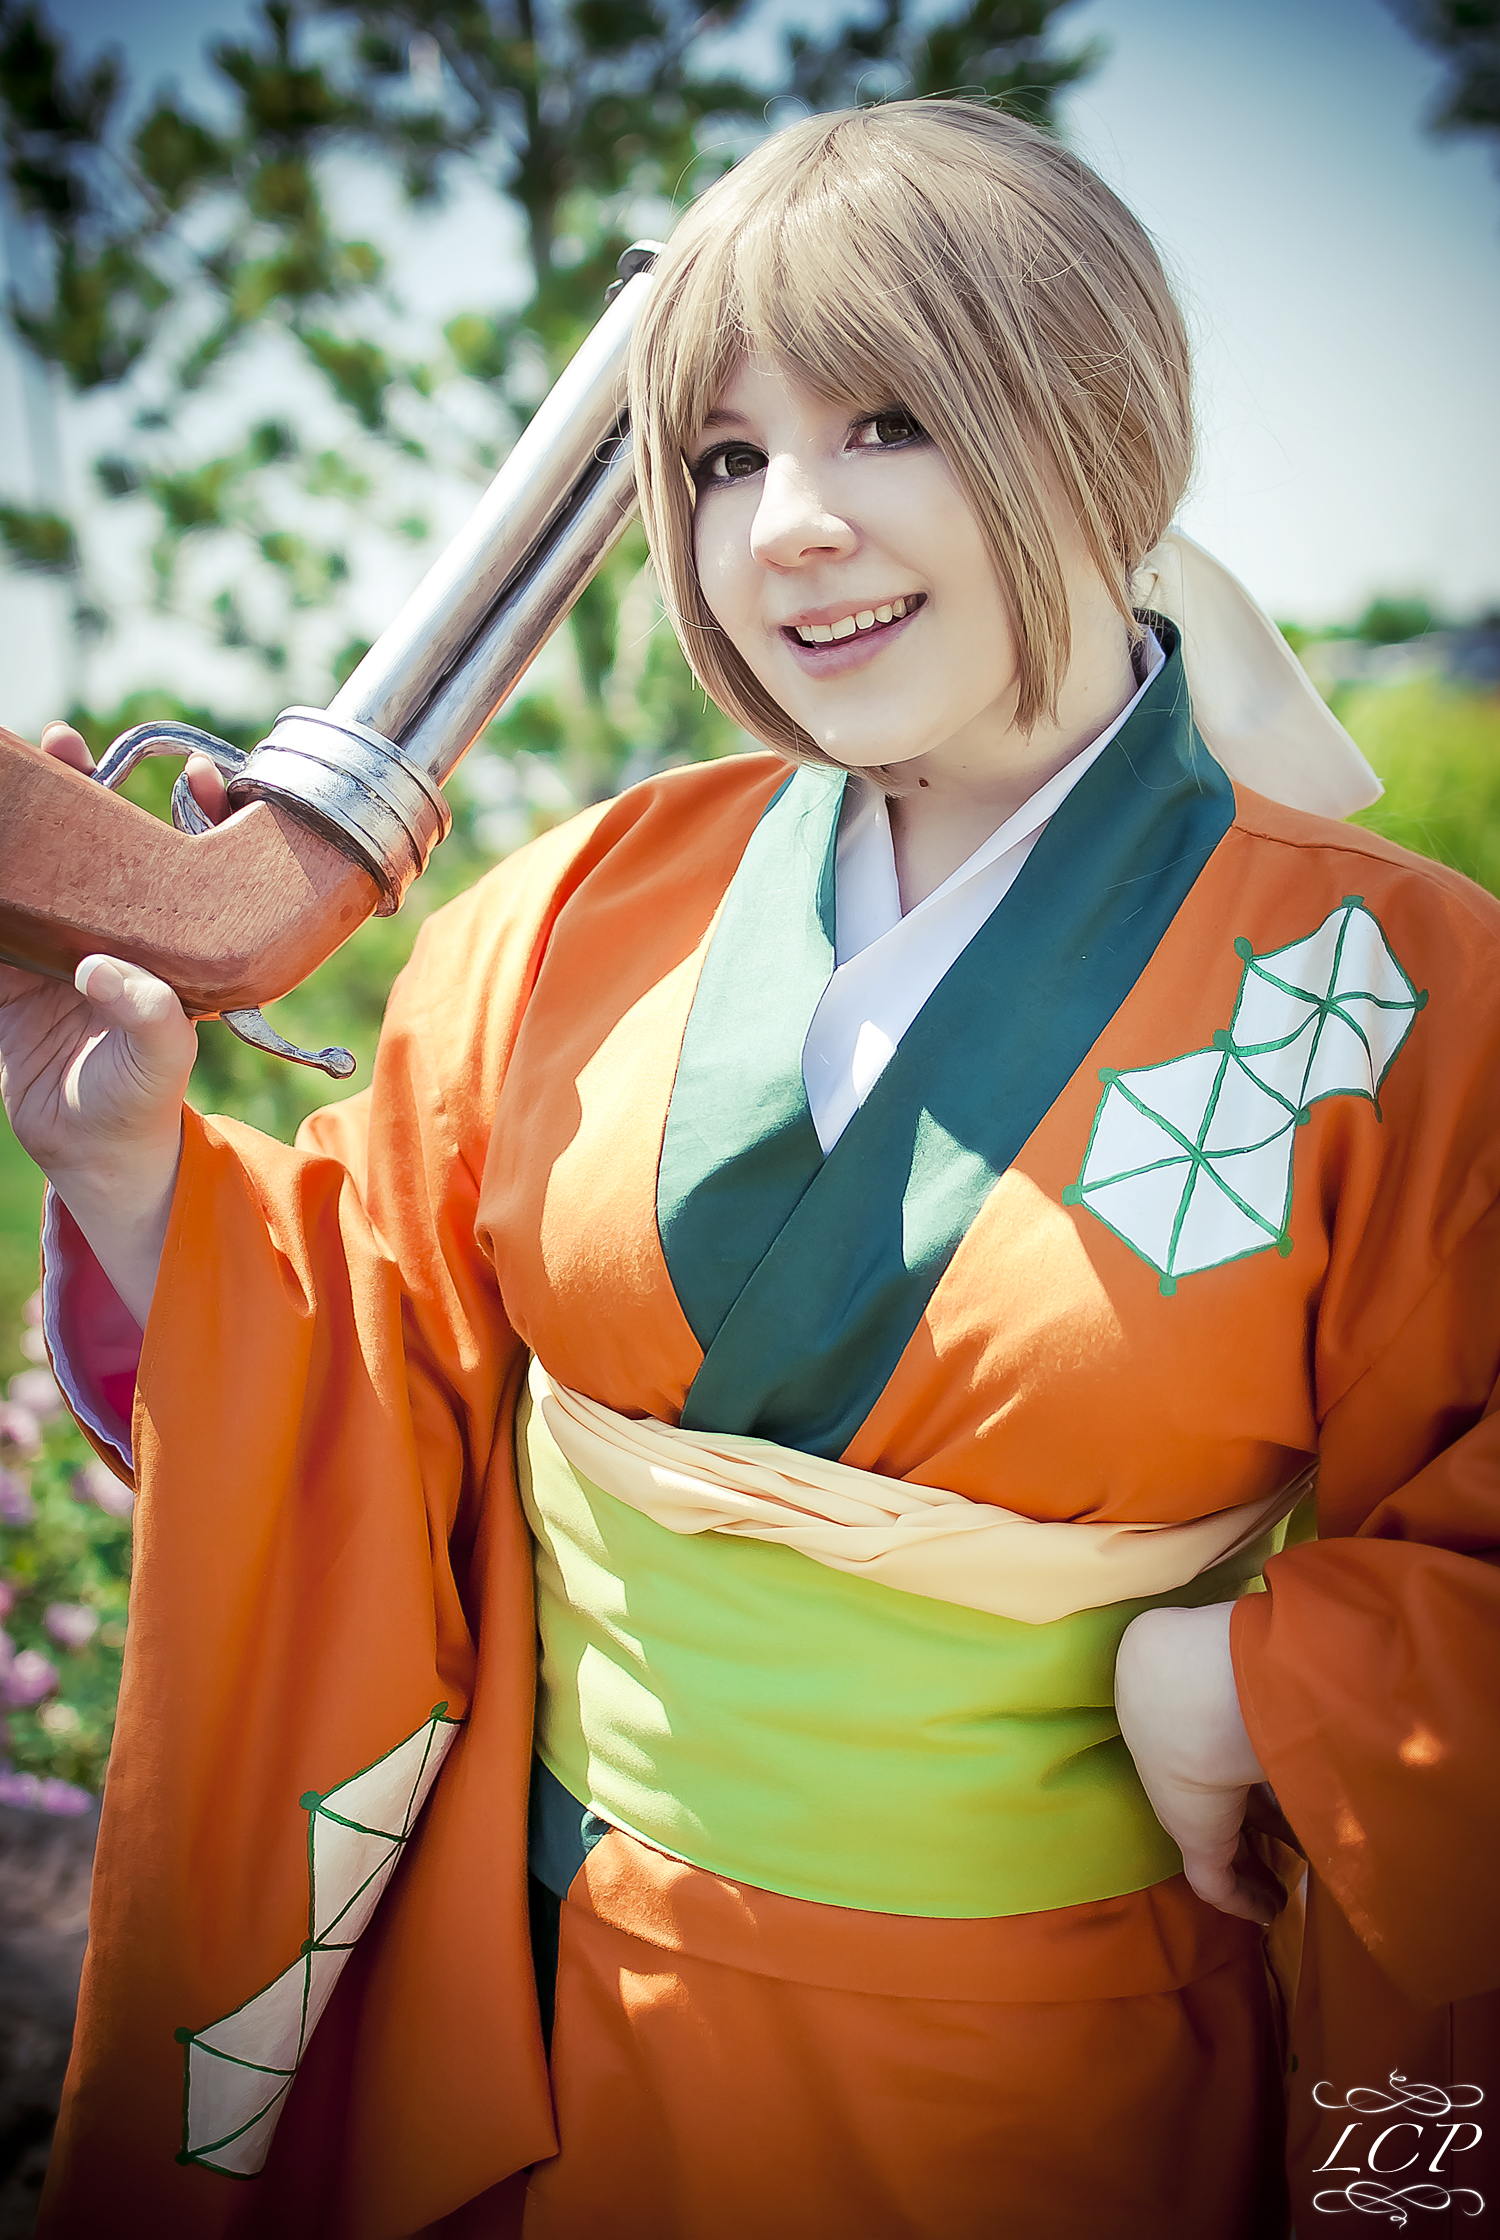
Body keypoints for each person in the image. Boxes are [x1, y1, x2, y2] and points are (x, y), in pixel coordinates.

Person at [1, 98, 1496, 2240]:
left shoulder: (1406, 988)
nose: (788, 524)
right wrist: (135, 1168)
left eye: (887, 421)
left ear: (1101, 423)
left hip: (1061, 2083)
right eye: (719, 458)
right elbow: (374, 1355)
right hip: (546, 2011)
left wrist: (1265, 1676)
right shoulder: (578, 906)